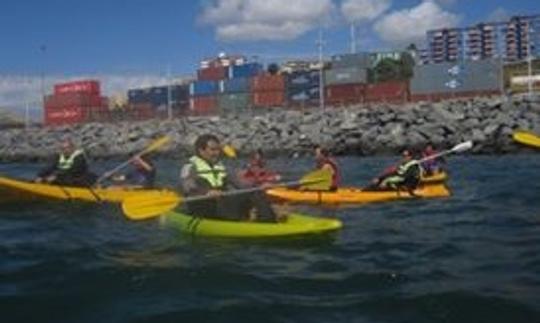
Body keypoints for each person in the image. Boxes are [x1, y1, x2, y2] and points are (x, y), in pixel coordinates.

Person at [180, 134, 279, 222]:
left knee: (255, 192)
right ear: (201, 151)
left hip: (220, 203)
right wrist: (206, 192)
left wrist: (259, 186)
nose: (217, 153)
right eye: (213, 150)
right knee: (202, 181)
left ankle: (267, 220)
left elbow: (241, 184)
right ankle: (239, 218)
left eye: (218, 149)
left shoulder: (221, 167)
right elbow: (188, 186)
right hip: (203, 205)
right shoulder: (190, 167)